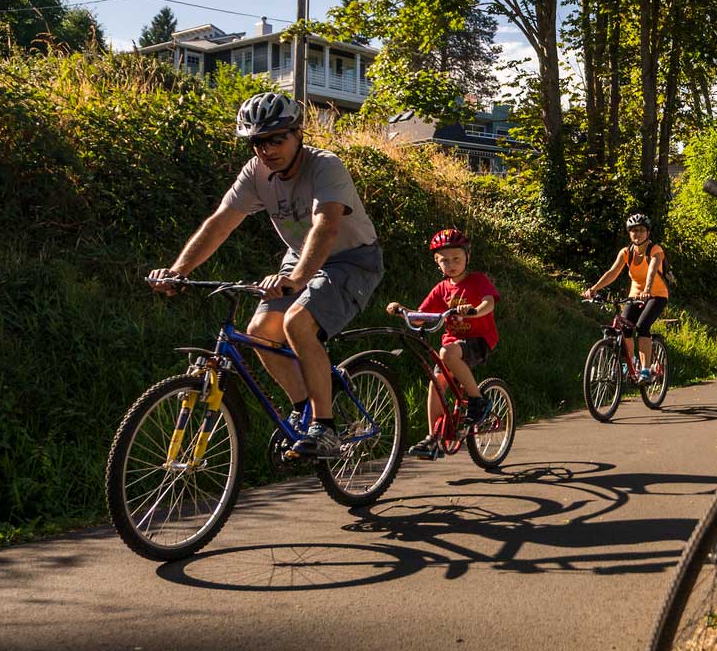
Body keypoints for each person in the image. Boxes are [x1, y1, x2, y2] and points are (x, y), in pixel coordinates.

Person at [148, 91, 384, 459]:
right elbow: (220, 224)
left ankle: (326, 428)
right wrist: (179, 271)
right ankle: (305, 406)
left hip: (352, 259)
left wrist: (298, 279)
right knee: (259, 332)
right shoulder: (256, 174)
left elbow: (325, 227)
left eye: (278, 138)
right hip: (299, 257)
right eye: (258, 141)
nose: (268, 149)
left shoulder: (325, 166)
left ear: (298, 134)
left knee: (298, 322)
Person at [386, 228, 498, 458]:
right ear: (437, 264)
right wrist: (402, 311)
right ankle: (433, 439)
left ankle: (478, 400)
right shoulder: (441, 289)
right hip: (453, 343)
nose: (451, 264)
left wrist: (475, 312)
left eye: (456, 258)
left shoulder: (478, 280)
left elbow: (489, 303)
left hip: (479, 340)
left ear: (467, 256)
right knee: (436, 383)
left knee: (447, 353)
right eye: (444, 261)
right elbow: (421, 315)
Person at [581, 212, 668, 382]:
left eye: (642, 230)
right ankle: (632, 362)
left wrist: (647, 289)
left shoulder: (655, 250)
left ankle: (645, 370)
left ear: (648, 233)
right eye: (634, 230)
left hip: (656, 294)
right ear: (629, 233)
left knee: (642, 326)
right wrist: (594, 289)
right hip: (635, 295)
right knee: (625, 327)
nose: (638, 234)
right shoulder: (626, 252)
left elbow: (651, 270)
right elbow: (612, 273)